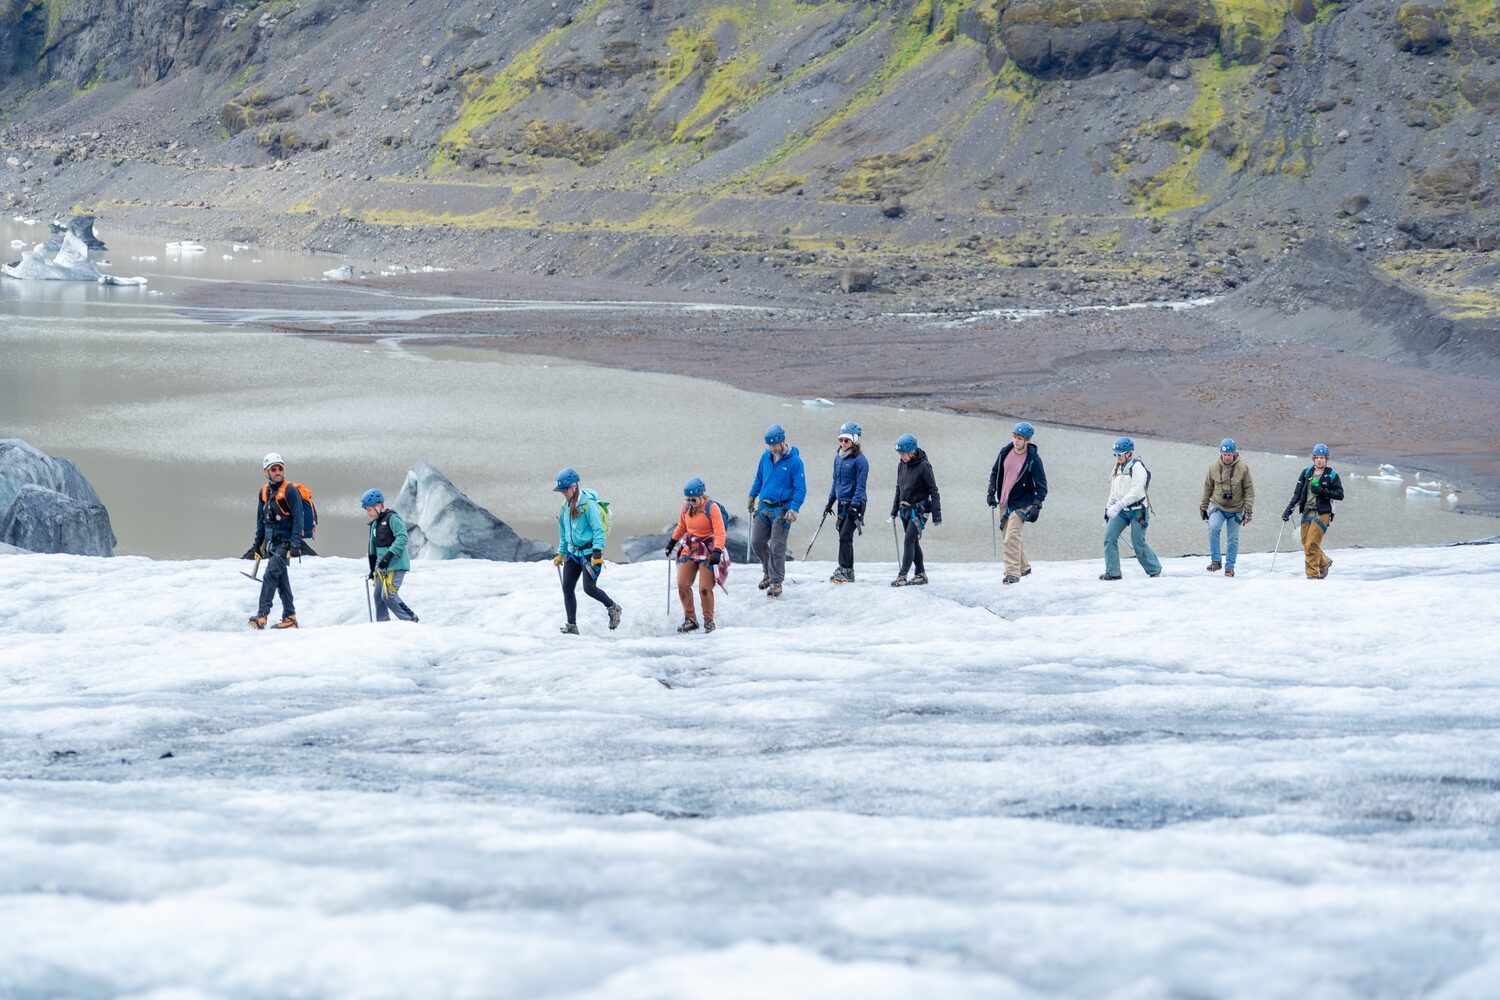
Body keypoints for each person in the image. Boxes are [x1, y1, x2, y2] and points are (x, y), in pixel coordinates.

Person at [552, 467, 623, 634]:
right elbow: (564, 532)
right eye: (561, 490)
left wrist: (597, 552)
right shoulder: (565, 505)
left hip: (590, 554)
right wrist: (561, 553)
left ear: (574, 486)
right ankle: (572, 626)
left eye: (565, 489)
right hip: (572, 554)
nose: (562, 493)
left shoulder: (588, 505)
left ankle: (613, 607)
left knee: (589, 588)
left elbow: (598, 530)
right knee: (567, 588)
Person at [243, 452, 306, 629]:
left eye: (280, 468)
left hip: (285, 542)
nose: (278, 472)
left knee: (270, 574)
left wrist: (295, 544)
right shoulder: (264, 492)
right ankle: (290, 616)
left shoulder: (290, 490)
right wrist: (257, 545)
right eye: (274, 469)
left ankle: (262, 615)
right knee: (281, 580)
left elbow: (298, 518)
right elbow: (260, 521)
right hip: (272, 543)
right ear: (266, 472)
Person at [748, 424, 806, 598]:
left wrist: (794, 509)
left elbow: (800, 489)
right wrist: (752, 496)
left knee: (777, 546)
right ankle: (768, 572)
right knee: (757, 542)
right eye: (770, 445)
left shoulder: (795, 462)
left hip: (782, 510)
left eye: (774, 444)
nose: (772, 448)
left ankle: (776, 582)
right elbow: (759, 478)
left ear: (782, 441)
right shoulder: (765, 457)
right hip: (763, 508)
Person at [987, 421, 1048, 585]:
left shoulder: (1033, 460)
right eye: (1014, 436)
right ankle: (1024, 567)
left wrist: (1037, 505)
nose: (1016, 440)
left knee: (1011, 538)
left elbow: (1042, 485)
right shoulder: (1005, 452)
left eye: (1020, 438)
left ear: (1027, 440)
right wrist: (991, 491)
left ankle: (1012, 573)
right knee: (1008, 536)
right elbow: (995, 472)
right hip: (1004, 502)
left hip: (1022, 503)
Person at [667, 477, 728, 633]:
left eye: (693, 499)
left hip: (708, 550)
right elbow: (682, 526)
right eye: (688, 499)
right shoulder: (686, 506)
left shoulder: (711, 508)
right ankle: (690, 619)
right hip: (690, 547)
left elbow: (720, 532)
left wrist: (717, 551)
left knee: (705, 589)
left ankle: (709, 621)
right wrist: (672, 542)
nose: (690, 502)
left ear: (701, 495)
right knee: (682, 584)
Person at [1101, 436, 1162, 581]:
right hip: (1121, 511)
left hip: (1138, 511)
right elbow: (1113, 491)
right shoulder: (1116, 468)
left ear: (1129, 453)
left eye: (1119, 454)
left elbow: (1137, 491)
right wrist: (1108, 508)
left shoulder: (1137, 468)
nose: (1117, 457)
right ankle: (1113, 572)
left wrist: (1119, 505)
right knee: (1109, 537)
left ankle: (1154, 569)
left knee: (1138, 543)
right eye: (1115, 454)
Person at [1281, 443, 1344, 579]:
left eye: (1322, 457)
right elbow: (1297, 494)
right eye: (1317, 457)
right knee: (1306, 543)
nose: (1319, 460)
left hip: (1323, 513)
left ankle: (1312, 576)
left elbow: (1340, 495)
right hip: (1306, 512)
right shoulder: (1306, 473)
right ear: (1313, 458)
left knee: (1311, 544)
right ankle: (1324, 562)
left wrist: (1321, 491)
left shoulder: (1332, 475)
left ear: (1326, 459)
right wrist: (1288, 510)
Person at [1199, 438, 1255, 578]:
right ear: (1221, 453)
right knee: (1213, 528)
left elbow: (1249, 491)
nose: (1227, 457)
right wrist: (1203, 507)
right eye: (1224, 454)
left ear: (1234, 453)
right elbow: (1208, 488)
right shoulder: (1213, 467)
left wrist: (1248, 511)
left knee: (1233, 539)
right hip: (1218, 506)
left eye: (1229, 454)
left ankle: (1229, 568)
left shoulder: (1243, 468)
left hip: (1236, 509)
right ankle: (1216, 561)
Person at [890, 433, 941, 586]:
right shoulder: (901, 465)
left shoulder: (924, 466)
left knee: (908, 540)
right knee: (913, 542)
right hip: (905, 510)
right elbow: (899, 489)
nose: (901, 456)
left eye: (904, 453)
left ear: (912, 451)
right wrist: (894, 510)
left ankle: (902, 576)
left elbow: (934, 491)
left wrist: (937, 514)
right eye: (900, 453)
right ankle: (921, 574)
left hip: (920, 510)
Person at [362, 488, 418, 623]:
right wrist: (372, 569)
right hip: (382, 567)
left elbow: (402, 537)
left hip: (396, 565)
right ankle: (383, 624)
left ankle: (410, 619)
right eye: (366, 510)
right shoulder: (375, 524)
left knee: (388, 595)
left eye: (369, 510)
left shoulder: (392, 518)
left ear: (379, 506)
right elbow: (372, 548)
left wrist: (388, 556)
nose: (368, 513)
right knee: (378, 596)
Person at [823, 421, 869, 583]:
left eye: (846, 440)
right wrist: (830, 502)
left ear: (854, 440)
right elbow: (835, 482)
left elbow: (861, 487)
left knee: (845, 535)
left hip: (855, 504)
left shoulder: (860, 461)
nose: (843, 443)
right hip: (841, 503)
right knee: (843, 537)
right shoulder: (838, 458)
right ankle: (848, 571)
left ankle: (844, 568)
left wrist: (855, 506)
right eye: (841, 440)